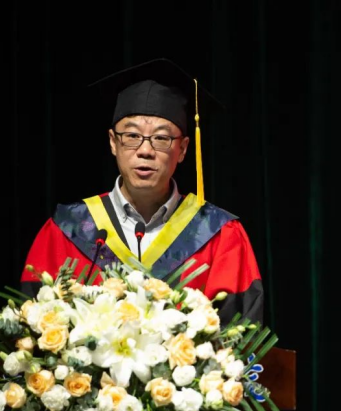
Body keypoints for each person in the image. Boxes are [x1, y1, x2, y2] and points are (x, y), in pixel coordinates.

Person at [20, 58, 263, 325]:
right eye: (132, 136)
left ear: (182, 149)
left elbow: (242, 337)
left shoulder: (218, 235)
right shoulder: (68, 230)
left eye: (161, 138)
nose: (145, 150)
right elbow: (30, 328)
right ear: (113, 143)